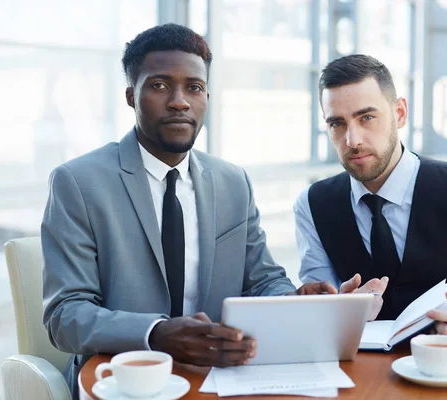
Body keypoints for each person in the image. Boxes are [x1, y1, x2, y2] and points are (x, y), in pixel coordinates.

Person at [41, 24, 373, 396]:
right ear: (132, 96)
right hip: (123, 378)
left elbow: (262, 279)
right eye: (160, 85)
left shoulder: (232, 182)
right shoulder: (78, 182)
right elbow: (65, 315)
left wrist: (294, 301)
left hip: (218, 376)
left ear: (207, 97)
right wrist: (156, 333)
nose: (179, 101)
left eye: (194, 88)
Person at [294, 54, 447, 374]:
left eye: (366, 117)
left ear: (400, 113)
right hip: (368, 380)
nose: (353, 140)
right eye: (337, 123)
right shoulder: (311, 205)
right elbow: (319, 311)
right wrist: (340, 312)